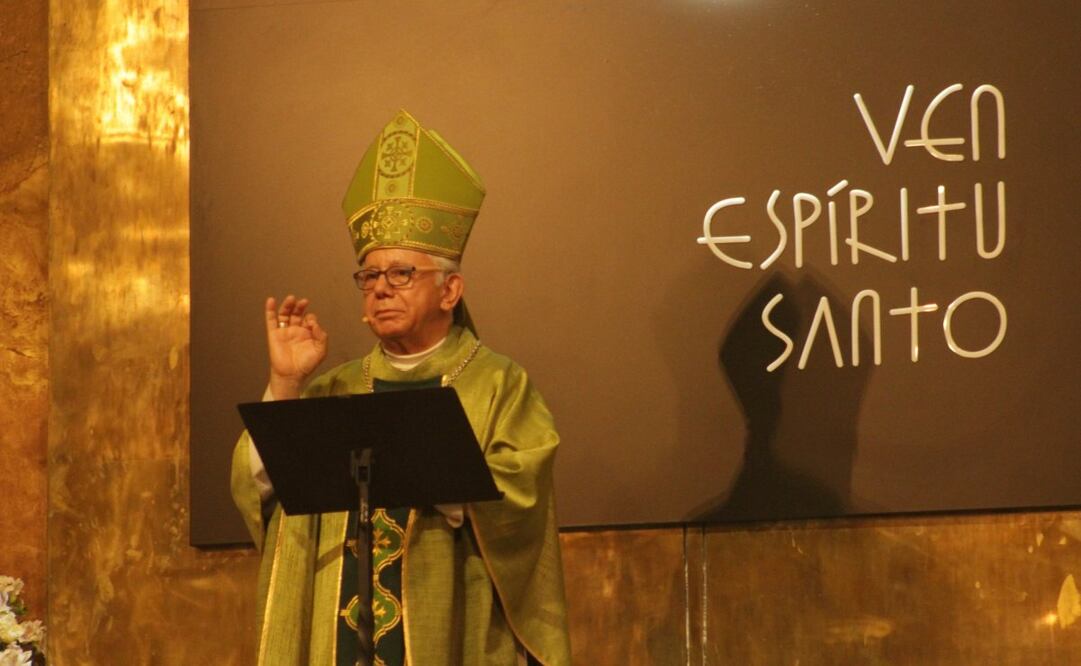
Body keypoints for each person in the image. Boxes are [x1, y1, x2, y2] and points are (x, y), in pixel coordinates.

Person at [230, 110, 571, 666]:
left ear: (450, 289)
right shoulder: (335, 388)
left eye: (401, 274)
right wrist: (286, 384)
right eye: (369, 276)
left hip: (449, 629)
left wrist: (429, 466)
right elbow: (261, 493)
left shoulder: (498, 383)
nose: (381, 289)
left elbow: (522, 501)